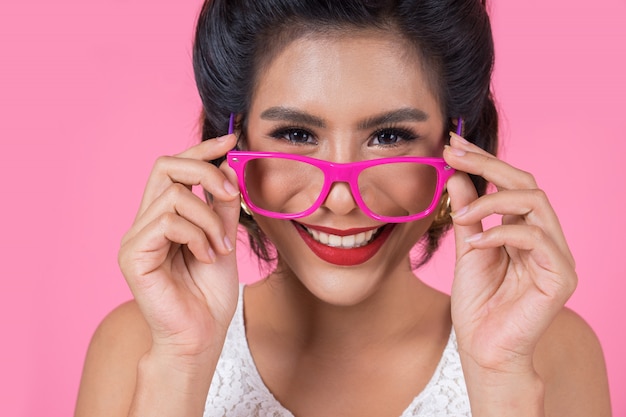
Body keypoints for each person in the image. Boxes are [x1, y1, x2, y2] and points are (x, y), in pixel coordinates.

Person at [75, 0, 612, 416]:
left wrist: (501, 381)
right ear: (230, 148)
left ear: (458, 150)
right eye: (296, 133)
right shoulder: (142, 345)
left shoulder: (547, 350)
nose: (340, 197)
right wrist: (180, 366)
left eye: (389, 136)